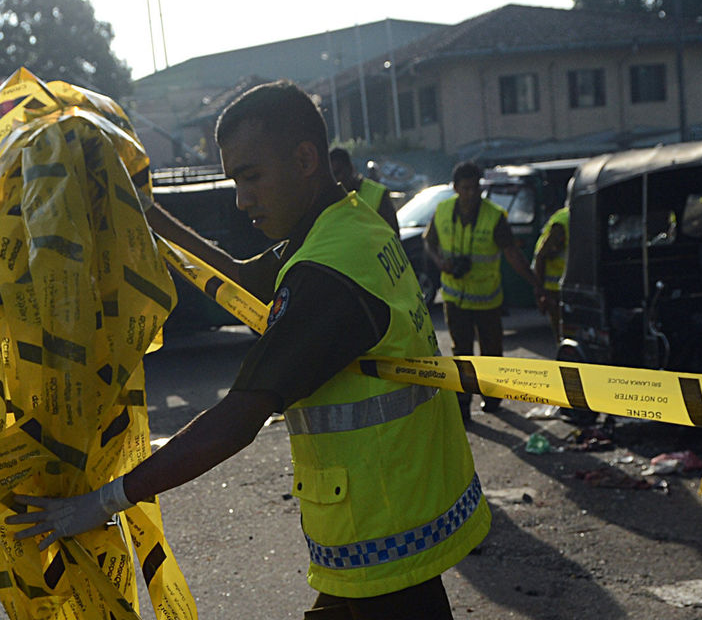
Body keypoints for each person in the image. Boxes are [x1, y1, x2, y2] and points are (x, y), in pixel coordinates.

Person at [7, 80, 490, 620]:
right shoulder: (351, 225)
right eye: (234, 180)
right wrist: (143, 211)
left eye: (252, 177)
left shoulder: (327, 276)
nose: (242, 201)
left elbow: (236, 420)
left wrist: (99, 504)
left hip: (382, 529)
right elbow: (237, 277)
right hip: (402, 517)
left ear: (306, 158)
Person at [423, 161, 542, 420]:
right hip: (455, 298)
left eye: (475, 188)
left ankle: (492, 398)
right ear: (456, 188)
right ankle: (463, 403)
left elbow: (512, 254)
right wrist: (441, 262)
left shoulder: (494, 216)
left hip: (487, 300)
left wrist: (535, 283)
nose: (471, 194)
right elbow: (429, 242)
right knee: (461, 353)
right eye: (465, 188)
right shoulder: (442, 211)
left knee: (491, 353)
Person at [329, 147, 400, 236]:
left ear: (350, 168)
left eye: (338, 172)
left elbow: (394, 235)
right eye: (332, 175)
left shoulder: (378, 194)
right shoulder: (330, 202)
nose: (337, 179)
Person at [532, 205, 568, 336]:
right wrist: (540, 293)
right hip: (556, 291)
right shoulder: (563, 221)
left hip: (573, 287)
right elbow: (541, 256)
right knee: (563, 336)